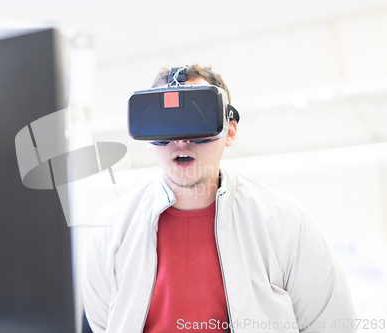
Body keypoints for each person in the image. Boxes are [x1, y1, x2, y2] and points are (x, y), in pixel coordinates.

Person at [82, 64, 356, 333]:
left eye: (198, 121)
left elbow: (331, 322)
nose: (181, 141)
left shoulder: (285, 223)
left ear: (230, 130)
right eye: (166, 126)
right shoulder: (112, 228)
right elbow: (102, 322)